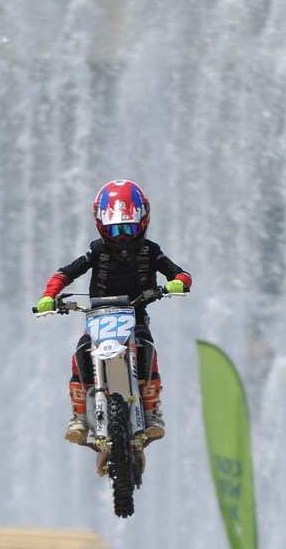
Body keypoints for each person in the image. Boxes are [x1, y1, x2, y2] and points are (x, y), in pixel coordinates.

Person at [35, 179, 192, 445]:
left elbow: (181, 274)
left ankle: (153, 412)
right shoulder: (97, 250)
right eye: (116, 229)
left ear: (143, 222)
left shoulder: (150, 251)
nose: (122, 238)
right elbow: (67, 272)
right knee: (80, 354)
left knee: (148, 349)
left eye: (128, 228)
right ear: (101, 225)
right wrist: (49, 295)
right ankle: (79, 417)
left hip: (135, 314)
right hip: (100, 315)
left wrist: (176, 284)